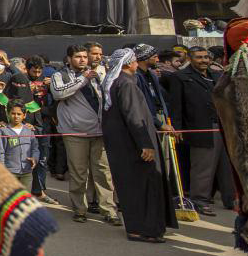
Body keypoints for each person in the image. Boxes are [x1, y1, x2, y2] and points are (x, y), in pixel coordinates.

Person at [101, 49, 178, 243]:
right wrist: (145, 144)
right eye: (135, 60)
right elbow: (134, 117)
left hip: (124, 146)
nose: (137, 63)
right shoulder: (126, 84)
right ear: (128, 63)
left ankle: (139, 227)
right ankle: (143, 229)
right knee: (143, 187)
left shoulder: (117, 82)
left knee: (133, 187)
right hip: (134, 147)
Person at [50, 45, 120, 225]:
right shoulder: (60, 75)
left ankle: (109, 210)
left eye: (84, 56)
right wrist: (83, 79)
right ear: (69, 59)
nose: (82, 60)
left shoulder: (98, 73)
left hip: (100, 131)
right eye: (77, 57)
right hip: (75, 132)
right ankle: (80, 209)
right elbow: (58, 93)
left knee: (103, 173)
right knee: (79, 173)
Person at [168, 45, 234, 215]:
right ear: (190, 59)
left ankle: (232, 200)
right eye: (199, 57)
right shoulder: (180, 77)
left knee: (227, 166)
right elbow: (176, 106)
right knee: (203, 166)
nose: (203, 60)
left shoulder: (217, 76)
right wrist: (177, 129)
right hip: (199, 127)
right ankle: (200, 200)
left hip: (222, 126)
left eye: (206, 57)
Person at [22, 56, 57, 205]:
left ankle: (39, 190)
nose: (37, 74)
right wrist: (27, 91)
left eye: (39, 71)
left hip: (44, 124)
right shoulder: (22, 81)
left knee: (42, 159)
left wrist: (52, 87)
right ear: (27, 69)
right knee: (25, 158)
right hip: (27, 125)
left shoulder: (48, 81)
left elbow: (55, 102)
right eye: (34, 71)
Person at [0, 101, 39, 190]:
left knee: (25, 195)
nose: (16, 116)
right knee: (11, 196)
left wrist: (35, 158)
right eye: (13, 113)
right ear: (8, 114)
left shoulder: (29, 130)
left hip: (27, 171)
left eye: (19, 114)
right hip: (10, 171)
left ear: (24, 115)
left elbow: (35, 148)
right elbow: (0, 152)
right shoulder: (4, 131)